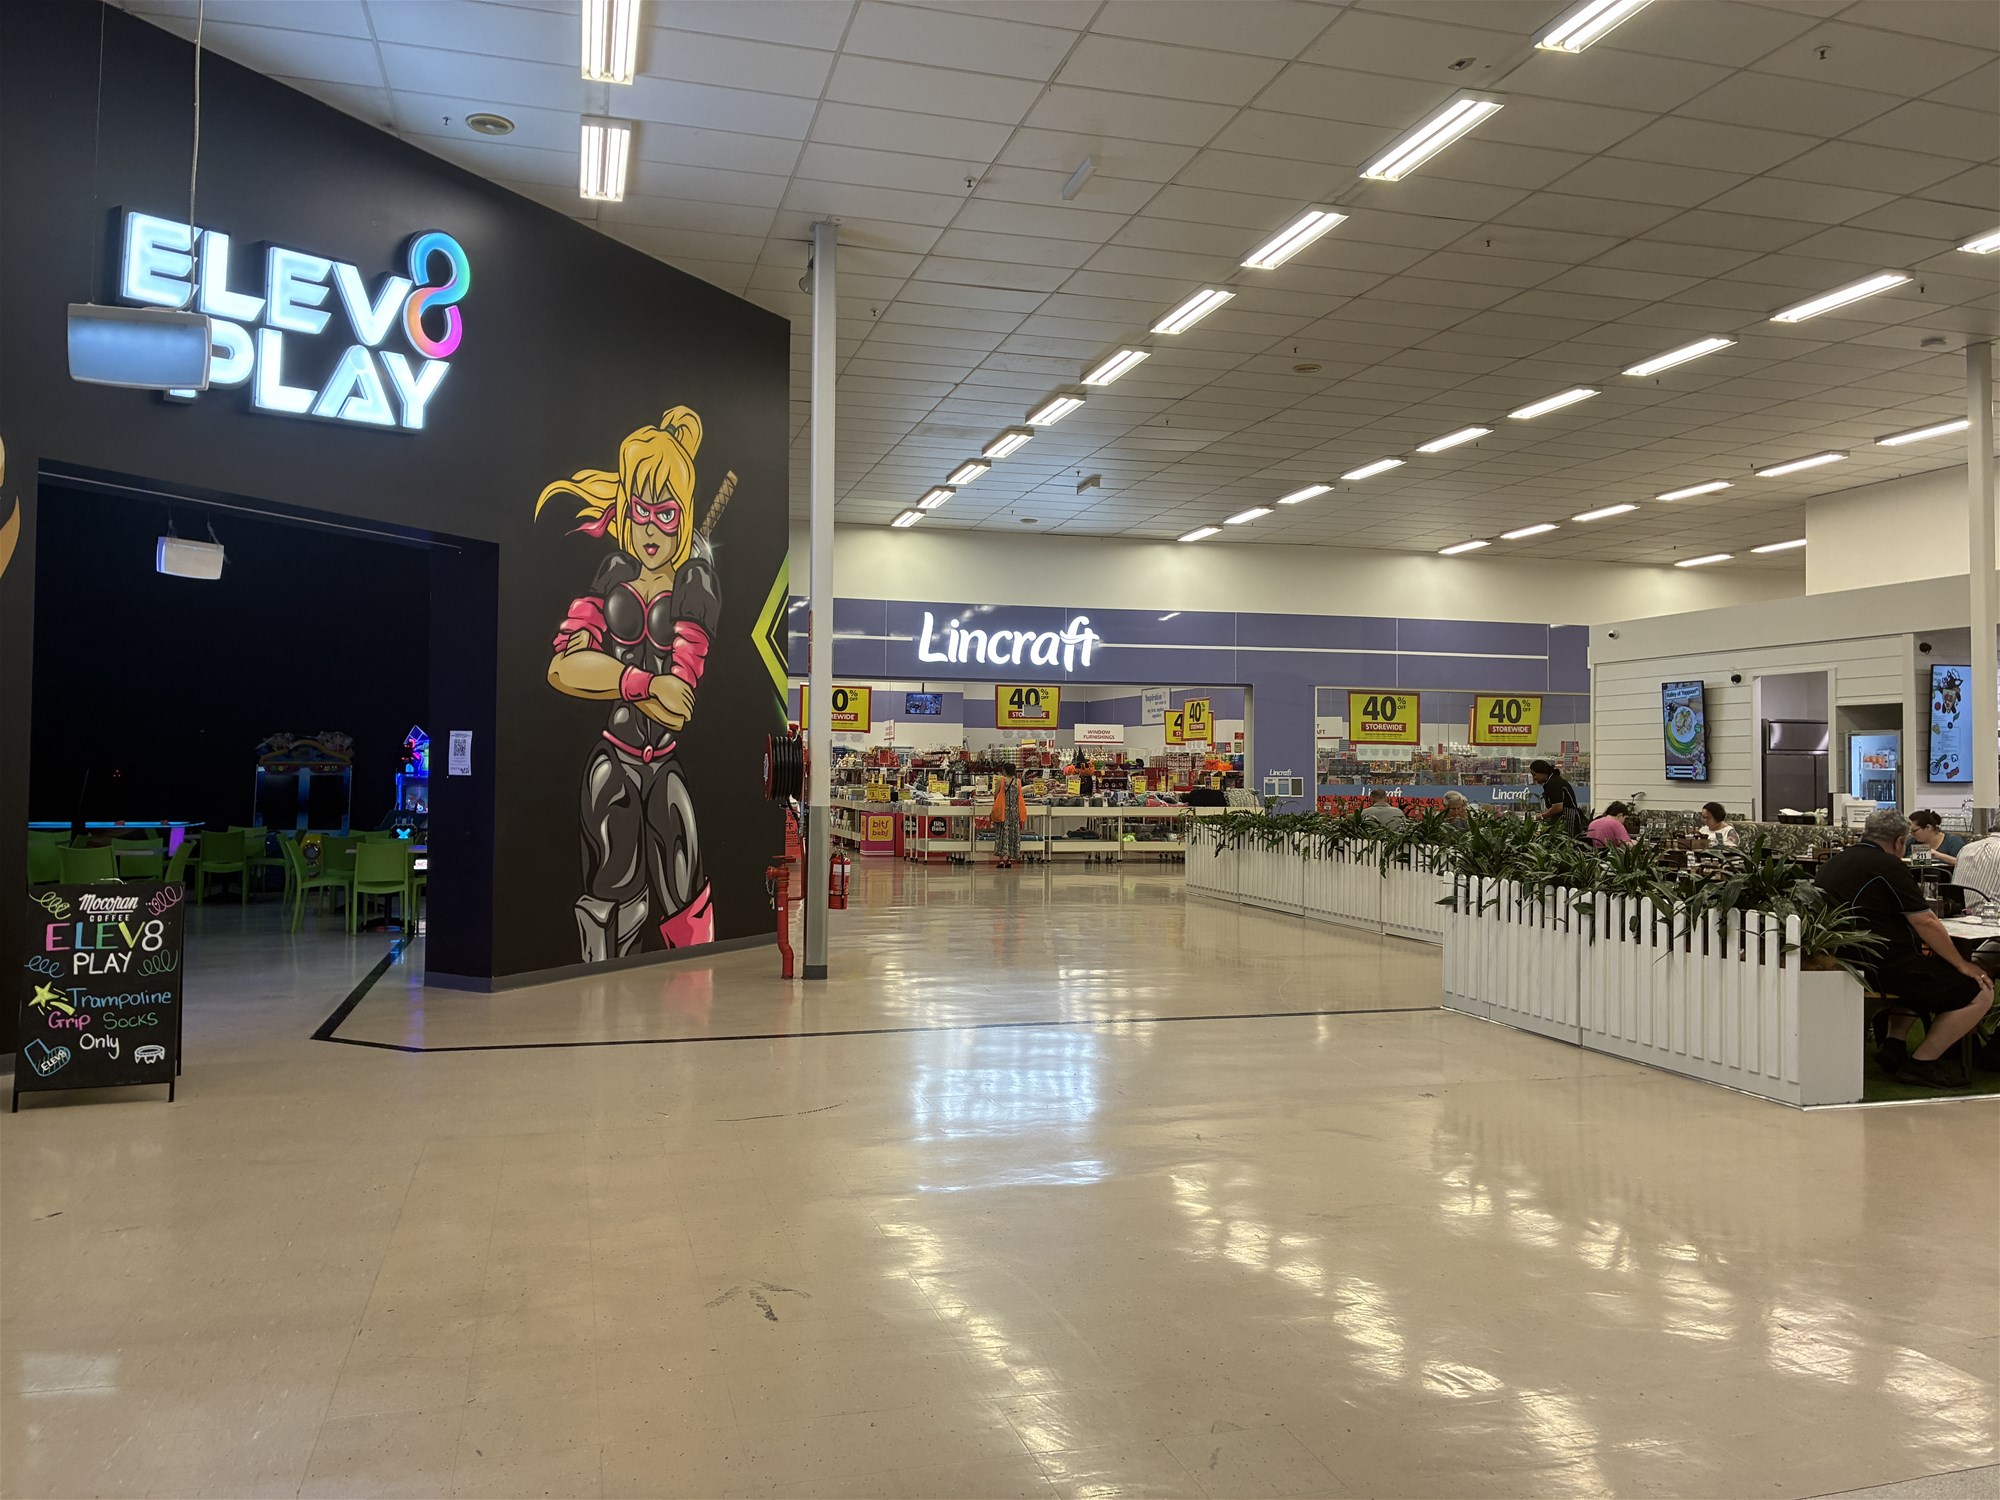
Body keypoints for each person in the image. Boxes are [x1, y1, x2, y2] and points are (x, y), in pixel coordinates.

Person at [540, 407, 718, 959]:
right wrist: (642, 683)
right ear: (625, 507)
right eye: (641, 510)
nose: (651, 528)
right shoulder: (613, 572)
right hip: (612, 757)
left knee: (686, 896)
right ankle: (602, 993)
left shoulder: (695, 584)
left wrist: (607, 672)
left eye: (666, 514)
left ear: (684, 516)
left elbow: (679, 706)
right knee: (611, 900)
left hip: (663, 763)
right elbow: (562, 668)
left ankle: (695, 996)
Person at [1814, 807, 1993, 1087]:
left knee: (1927, 969)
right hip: (1882, 966)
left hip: (1844, 959)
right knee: (1980, 989)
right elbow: (1925, 922)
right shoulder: (1887, 866)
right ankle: (1922, 1063)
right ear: (1899, 842)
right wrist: (1963, 964)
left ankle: (1894, 1045)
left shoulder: (1834, 863)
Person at [1529, 760, 1585, 837]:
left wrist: (1541, 816)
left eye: (1534, 775)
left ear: (1542, 772)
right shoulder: (1551, 782)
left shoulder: (1554, 783)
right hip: (1562, 820)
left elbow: (1557, 808)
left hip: (1568, 820)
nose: (1534, 778)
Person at [991, 769, 1028, 869]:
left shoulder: (1001, 781)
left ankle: (1001, 860)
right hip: (1014, 812)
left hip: (1003, 812)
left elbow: (996, 795)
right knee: (1013, 835)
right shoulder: (1018, 782)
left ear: (1005, 771)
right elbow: (1019, 796)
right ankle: (1010, 860)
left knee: (1002, 834)